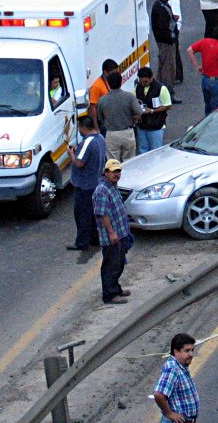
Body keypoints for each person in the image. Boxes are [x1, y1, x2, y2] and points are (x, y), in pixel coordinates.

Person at [93, 159, 131, 304]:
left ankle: (116, 288)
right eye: (113, 172)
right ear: (106, 172)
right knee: (111, 265)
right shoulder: (102, 191)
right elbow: (103, 214)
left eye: (118, 171)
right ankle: (109, 295)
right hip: (112, 236)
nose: (117, 174)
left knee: (119, 263)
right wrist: (111, 233)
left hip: (120, 233)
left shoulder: (112, 186)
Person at [65, 115, 105, 251]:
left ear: (83, 128)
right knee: (94, 215)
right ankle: (95, 239)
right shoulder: (100, 139)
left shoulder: (87, 142)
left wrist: (71, 154)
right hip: (96, 182)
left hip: (85, 185)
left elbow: (79, 162)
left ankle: (82, 243)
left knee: (82, 215)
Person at [97, 71, 143, 162]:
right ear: (121, 82)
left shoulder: (102, 100)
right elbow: (139, 111)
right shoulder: (129, 97)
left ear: (108, 83)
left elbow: (100, 118)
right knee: (129, 161)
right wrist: (134, 119)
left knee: (113, 163)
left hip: (112, 134)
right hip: (127, 132)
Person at [154, 333, 200, 423]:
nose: (191, 354)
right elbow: (159, 394)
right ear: (175, 351)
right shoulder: (172, 369)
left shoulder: (181, 366)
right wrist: (169, 413)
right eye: (186, 351)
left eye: (192, 350)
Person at [151, 0, 180, 100]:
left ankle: (160, 92)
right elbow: (163, 27)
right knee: (168, 68)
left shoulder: (163, 5)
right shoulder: (160, 8)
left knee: (163, 67)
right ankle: (168, 94)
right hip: (166, 43)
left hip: (166, 41)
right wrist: (171, 39)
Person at [135, 67, 172, 154]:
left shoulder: (161, 88)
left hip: (156, 126)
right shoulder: (138, 86)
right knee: (143, 151)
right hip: (142, 125)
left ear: (151, 78)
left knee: (156, 152)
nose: (143, 84)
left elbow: (168, 105)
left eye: (145, 82)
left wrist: (152, 111)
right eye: (141, 82)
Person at [160, 0, 184, 93]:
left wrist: (176, 29)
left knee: (174, 54)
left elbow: (175, 15)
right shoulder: (163, 1)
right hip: (171, 30)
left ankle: (177, 75)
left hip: (173, 30)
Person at [89, 58, 118, 127]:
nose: (115, 75)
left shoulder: (111, 81)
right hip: (104, 122)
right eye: (113, 73)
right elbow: (93, 108)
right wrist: (96, 127)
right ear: (105, 72)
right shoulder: (96, 86)